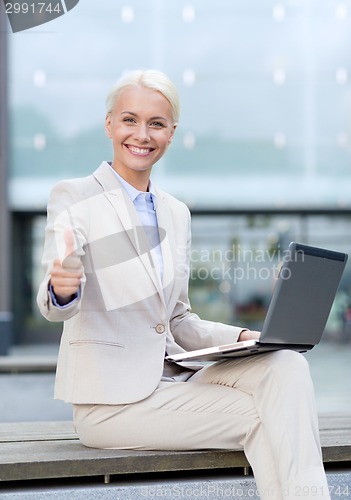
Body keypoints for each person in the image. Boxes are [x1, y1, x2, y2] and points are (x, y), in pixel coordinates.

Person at [37, 69, 330, 499]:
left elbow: (177, 318)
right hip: (111, 404)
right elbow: (55, 300)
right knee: (263, 415)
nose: (142, 134)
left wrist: (252, 337)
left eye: (156, 123)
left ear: (172, 132)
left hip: (174, 384)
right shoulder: (75, 197)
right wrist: (63, 287)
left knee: (287, 365)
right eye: (129, 120)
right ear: (109, 124)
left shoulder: (176, 214)